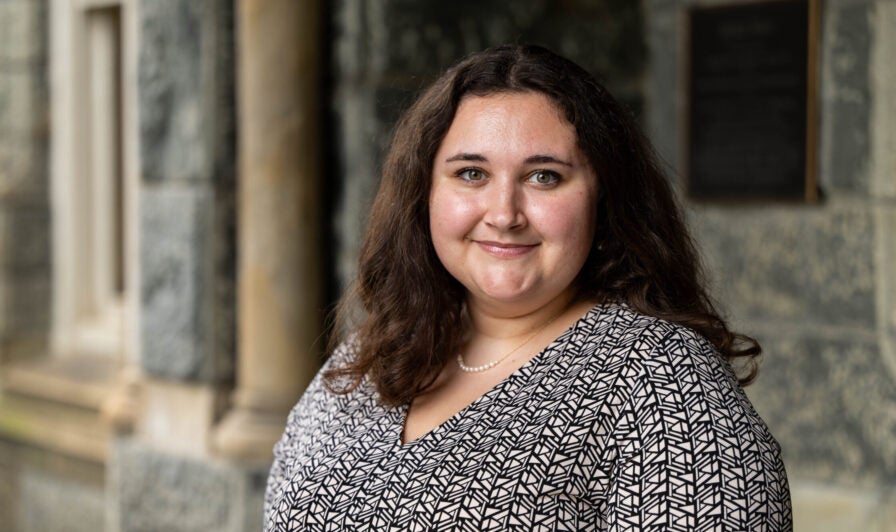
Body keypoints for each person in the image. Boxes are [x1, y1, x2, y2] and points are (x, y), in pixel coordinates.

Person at [264, 44, 792, 530]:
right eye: (471, 174)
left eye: (544, 177)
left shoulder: (663, 383)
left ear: (603, 197)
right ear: (423, 194)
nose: (504, 214)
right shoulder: (369, 358)